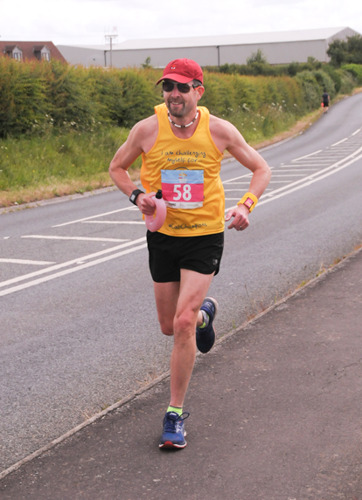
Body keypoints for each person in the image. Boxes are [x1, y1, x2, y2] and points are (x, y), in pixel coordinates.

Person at [109, 58, 271, 450]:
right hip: (163, 235)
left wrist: (246, 206)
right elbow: (117, 168)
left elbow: (261, 168)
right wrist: (138, 196)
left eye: (182, 87)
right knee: (170, 325)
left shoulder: (220, 130)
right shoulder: (147, 130)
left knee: (180, 323)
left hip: (205, 235)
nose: (174, 95)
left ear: (199, 90)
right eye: (168, 87)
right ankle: (204, 316)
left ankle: (174, 414)